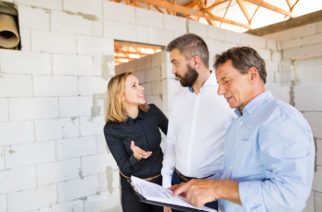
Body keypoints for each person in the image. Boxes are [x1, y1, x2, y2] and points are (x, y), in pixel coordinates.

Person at [172, 46, 315, 212]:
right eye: (218, 83)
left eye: (226, 81)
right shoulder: (237, 123)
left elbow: (289, 196)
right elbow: (234, 177)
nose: (220, 91)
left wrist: (216, 189)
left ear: (252, 75)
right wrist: (195, 186)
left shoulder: (281, 119)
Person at [161, 33, 235, 211]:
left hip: (210, 191)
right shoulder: (178, 99)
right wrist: (166, 186)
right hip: (178, 186)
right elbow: (171, 143)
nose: (173, 70)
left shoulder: (228, 96)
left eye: (175, 63)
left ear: (195, 62)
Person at [104, 72, 168, 212]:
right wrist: (136, 158)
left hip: (160, 183)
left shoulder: (153, 112)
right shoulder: (111, 129)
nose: (141, 88)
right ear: (120, 96)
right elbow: (125, 167)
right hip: (133, 188)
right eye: (134, 86)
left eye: (139, 84)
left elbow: (175, 137)